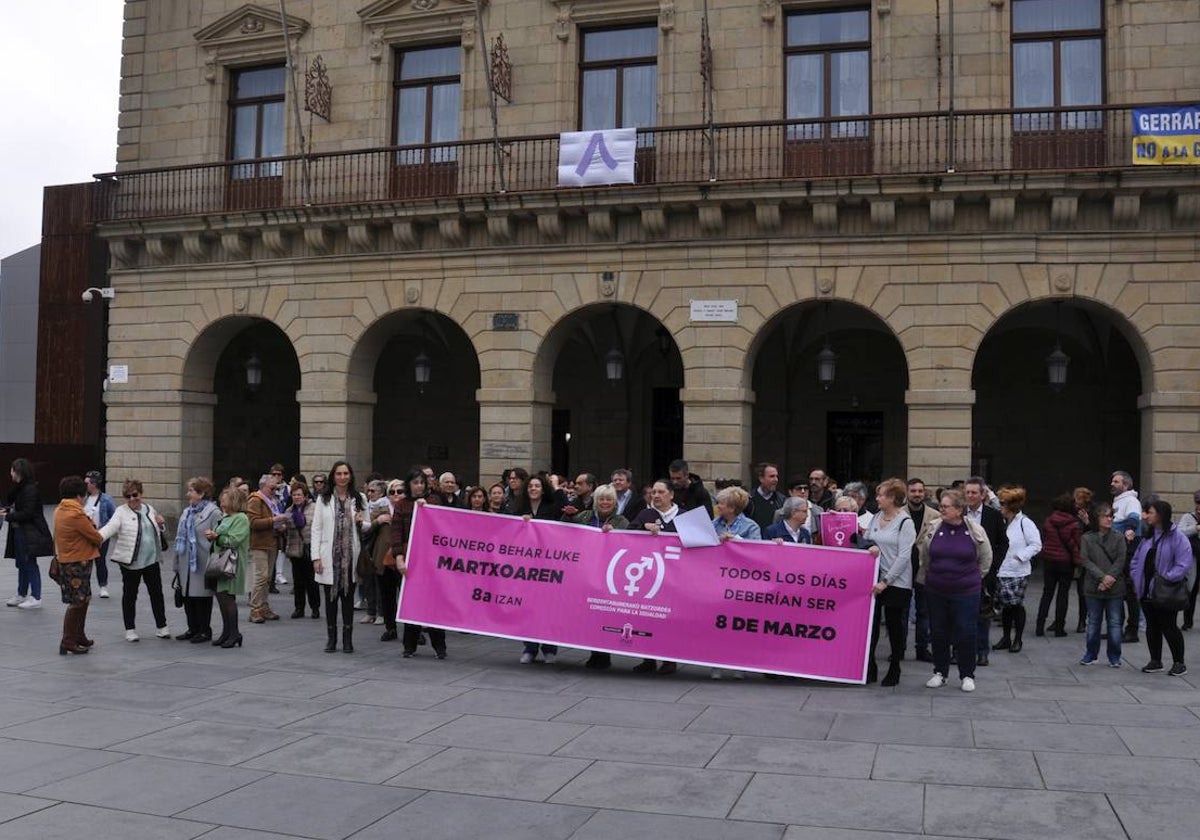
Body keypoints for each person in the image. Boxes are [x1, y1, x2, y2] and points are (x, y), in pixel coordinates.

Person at [915, 488, 993, 692]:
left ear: (959, 509)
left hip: (966, 591)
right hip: (936, 589)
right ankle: (940, 672)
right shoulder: (933, 527)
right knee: (938, 631)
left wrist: (973, 578)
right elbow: (925, 555)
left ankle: (967, 674)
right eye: (941, 505)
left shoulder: (975, 530)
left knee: (965, 631)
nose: (941, 509)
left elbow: (986, 559)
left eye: (945, 506)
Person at [98, 479, 171, 642]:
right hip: (131, 562)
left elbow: (158, 531)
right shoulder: (120, 512)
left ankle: (162, 626)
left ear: (141, 494)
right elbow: (110, 527)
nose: (131, 499)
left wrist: (162, 525)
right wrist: (97, 537)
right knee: (130, 595)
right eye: (127, 496)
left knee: (157, 594)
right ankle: (130, 629)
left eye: (135, 495)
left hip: (152, 559)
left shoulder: (149, 509)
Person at [1130, 498, 1194, 676]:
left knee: (1169, 626)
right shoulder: (1148, 536)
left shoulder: (1177, 537)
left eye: (1149, 512)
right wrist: (1137, 578)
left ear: (1160, 514)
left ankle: (1179, 663)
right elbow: (1136, 560)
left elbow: (1183, 563)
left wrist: (1167, 578)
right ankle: (1155, 660)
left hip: (1166, 591)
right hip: (1146, 590)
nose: (1146, 516)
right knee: (1152, 626)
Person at [312, 460, 370, 653]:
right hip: (329, 556)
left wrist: (363, 522)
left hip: (350, 557)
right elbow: (316, 528)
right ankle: (331, 638)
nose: (343, 477)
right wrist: (316, 557)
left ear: (351, 476)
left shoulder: (359, 497)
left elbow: (368, 524)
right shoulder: (324, 498)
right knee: (330, 600)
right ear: (333, 476)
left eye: (346, 473)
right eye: (339, 474)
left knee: (347, 599)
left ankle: (347, 638)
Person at [863, 478, 916, 686]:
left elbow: (904, 556)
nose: (877, 498)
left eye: (881, 494)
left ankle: (895, 667)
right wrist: (870, 546)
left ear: (892, 498)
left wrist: (886, 581)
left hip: (896, 582)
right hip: (874, 579)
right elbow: (867, 538)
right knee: (872, 625)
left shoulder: (905, 522)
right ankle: (870, 667)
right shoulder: (876, 517)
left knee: (894, 625)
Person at [630, 479, 683, 675]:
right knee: (648, 617)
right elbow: (627, 535)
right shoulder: (646, 514)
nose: (656, 496)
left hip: (676, 577)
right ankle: (648, 658)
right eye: (653, 492)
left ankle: (670, 659)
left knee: (671, 619)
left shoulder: (684, 516)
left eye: (661, 492)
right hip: (651, 575)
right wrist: (643, 528)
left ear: (671, 495)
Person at [391, 468, 445, 657]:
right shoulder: (402, 505)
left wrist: (426, 509)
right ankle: (409, 645)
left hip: (431, 559)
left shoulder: (435, 501)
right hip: (410, 557)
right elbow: (396, 532)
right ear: (409, 485)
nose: (419, 486)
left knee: (434, 602)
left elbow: (443, 525)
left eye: (422, 482)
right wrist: (398, 556)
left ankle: (440, 646)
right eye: (415, 482)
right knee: (411, 600)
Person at [575, 484, 629, 670]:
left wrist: (614, 534)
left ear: (614, 502)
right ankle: (593, 652)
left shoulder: (622, 521)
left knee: (604, 616)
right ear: (595, 501)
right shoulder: (583, 517)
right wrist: (566, 516)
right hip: (585, 573)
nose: (605, 503)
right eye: (601, 499)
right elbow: (564, 532)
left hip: (609, 576)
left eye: (609, 499)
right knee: (589, 616)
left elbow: (629, 542)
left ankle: (604, 654)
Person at [52, 475, 105, 655]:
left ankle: (78, 635)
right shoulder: (76, 513)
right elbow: (95, 536)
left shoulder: (60, 509)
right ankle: (68, 640)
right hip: (77, 563)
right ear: (79, 496)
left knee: (83, 599)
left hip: (69, 561)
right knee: (77, 602)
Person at [964, 476, 1008, 668]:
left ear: (983, 495)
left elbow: (1003, 543)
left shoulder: (994, 516)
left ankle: (982, 652)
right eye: (967, 492)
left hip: (984, 573)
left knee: (982, 615)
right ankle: (960, 651)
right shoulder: (958, 514)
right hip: (961, 572)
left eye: (974, 492)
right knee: (961, 614)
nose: (970, 496)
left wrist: (993, 567)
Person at [992, 486, 1042, 654]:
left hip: (1017, 571)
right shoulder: (1001, 521)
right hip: (1001, 570)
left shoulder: (1024, 522)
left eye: (1003, 503)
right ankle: (1006, 637)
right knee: (1006, 606)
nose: (1000, 506)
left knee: (1016, 605)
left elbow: (1036, 544)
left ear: (1011, 506)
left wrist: (1020, 556)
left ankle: (1018, 639)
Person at [519, 474, 563, 664]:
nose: (533, 489)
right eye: (530, 486)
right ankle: (530, 648)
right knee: (528, 608)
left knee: (549, 608)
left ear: (543, 489)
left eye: (537, 486)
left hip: (549, 565)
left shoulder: (551, 507)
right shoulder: (519, 508)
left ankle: (549, 649)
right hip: (527, 565)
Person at [1079, 503, 1127, 667]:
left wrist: (1109, 578)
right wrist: (1102, 578)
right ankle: (1091, 653)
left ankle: (1114, 656)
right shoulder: (1087, 538)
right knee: (1093, 622)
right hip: (1093, 586)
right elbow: (1085, 560)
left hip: (1115, 587)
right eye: (1105, 516)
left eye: (1111, 516)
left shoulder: (1119, 537)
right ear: (1096, 518)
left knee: (1114, 622)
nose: (1109, 519)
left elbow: (1121, 560)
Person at [174, 476, 221, 642]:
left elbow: (219, 536)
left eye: (191, 491)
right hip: (186, 560)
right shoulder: (187, 512)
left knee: (201, 596)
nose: (188, 494)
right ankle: (192, 628)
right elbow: (180, 537)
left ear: (201, 494)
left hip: (203, 561)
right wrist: (176, 562)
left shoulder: (213, 512)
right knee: (187, 596)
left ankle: (204, 630)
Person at [2, 458, 53, 609]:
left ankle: (36, 597)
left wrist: (7, 516)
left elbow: (28, 513)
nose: (10, 473)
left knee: (29, 562)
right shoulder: (20, 488)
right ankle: (21, 594)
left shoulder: (30, 489)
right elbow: (16, 505)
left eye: (12, 470)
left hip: (29, 532)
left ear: (18, 472)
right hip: (19, 531)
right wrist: (8, 511)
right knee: (21, 563)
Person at [206, 486, 250, 648]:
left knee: (228, 598)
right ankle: (226, 632)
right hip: (220, 562)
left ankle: (234, 633)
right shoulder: (225, 517)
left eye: (224, 500)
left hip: (232, 563)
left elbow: (234, 540)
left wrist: (217, 537)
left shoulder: (241, 518)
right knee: (221, 596)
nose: (221, 502)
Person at [1036, 494, 1083, 638]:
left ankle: (1039, 626)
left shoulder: (1049, 521)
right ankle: (1059, 627)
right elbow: (1078, 543)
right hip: (1065, 562)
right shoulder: (1074, 524)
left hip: (1049, 560)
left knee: (1047, 593)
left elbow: (1044, 538)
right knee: (1063, 595)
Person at [246, 473, 288, 623]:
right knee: (261, 577)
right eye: (272, 488)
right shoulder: (255, 500)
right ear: (263, 486)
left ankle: (264, 606)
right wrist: (274, 520)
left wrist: (280, 526)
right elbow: (252, 522)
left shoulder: (271, 500)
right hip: (259, 543)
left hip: (271, 542)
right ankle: (255, 609)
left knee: (267, 578)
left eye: (276, 488)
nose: (274, 490)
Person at [906, 478, 937, 662]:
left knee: (923, 610)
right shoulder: (899, 513)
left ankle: (922, 648)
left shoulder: (935, 515)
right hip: (903, 568)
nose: (917, 494)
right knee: (902, 611)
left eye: (920, 491)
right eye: (913, 491)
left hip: (926, 568)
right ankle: (899, 648)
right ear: (907, 493)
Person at [1110, 470, 1142, 643]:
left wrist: (1129, 529)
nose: (1112, 484)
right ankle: (1116, 628)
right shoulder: (1119, 501)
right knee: (1116, 591)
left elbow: (1134, 520)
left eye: (1116, 481)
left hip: (1127, 551)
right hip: (1117, 550)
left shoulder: (1131, 501)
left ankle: (1132, 630)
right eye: (1113, 481)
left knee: (1129, 592)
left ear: (1126, 485)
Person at [375, 479, 405, 642]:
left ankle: (414, 631)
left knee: (407, 596)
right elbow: (367, 529)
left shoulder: (412, 509)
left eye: (400, 491)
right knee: (387, 596)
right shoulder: (380, 509)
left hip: (405, 560)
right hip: (385, 559)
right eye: (392, 492)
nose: (396, 495)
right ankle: (390, 627)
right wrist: (377, 521)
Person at [283, 481, 319, 619]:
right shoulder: (288, 511)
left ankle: (315, 608)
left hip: (309, 547)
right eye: (294, 494)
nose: (296, 497)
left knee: (311, 581)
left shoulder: (314, 508)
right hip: (294, 549)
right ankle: (299, 608)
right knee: (298, 581)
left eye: (299, 494)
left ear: (305, 496)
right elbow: (285, 530)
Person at [83, 470, 116, 599]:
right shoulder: (83, 499)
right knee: (85, 562)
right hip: (86, 535)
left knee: (100, 560)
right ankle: (86, 587)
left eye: (87, 482)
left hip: (101, 535)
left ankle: (103, 586)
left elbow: (113, 517)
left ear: (94, 484)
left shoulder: (106, 499)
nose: (85, 485)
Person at [1073, 486, 1098, 632]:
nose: (1074, 501)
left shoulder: (1094, 512)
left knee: (1087, 589)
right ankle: (1082, 619)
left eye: (1077, 498)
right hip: (1079, 553)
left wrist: (1087, 522)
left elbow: (1097, 533)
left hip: (1091, 555)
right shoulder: (1074, 512)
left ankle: (1086, 619)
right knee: (1081, 589)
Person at [1180, 490, 1200, 631]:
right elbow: (1180, 532)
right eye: (1197, 502)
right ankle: (1188, 621)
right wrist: (1196, 528)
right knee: (1191, 590)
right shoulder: (1188, 517)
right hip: (1193, 558)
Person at [745, 463, 786, 532]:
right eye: (772, 476)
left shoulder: (782, 500)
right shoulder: (749, 499)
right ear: (761, 479)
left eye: (776, 476)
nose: (776, 480)